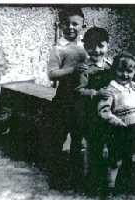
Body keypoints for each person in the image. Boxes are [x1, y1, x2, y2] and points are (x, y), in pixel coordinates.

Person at [97, 52, 135, 198]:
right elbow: (103, 110)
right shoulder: (110, 90)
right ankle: (109, 189)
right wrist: (115, 121)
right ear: (114, 71)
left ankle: (124, 187)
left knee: (128, 159)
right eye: (121, 71)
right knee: (115, 161)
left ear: (134, 72)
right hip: (117, 131)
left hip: (133, 130)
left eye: (129, 71)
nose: (125, 75)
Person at [47, 6, 87, 190]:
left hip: (81, 101)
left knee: (79, 141)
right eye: (67, 23)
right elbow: (52, 74)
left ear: (83, 26)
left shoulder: (85, 48)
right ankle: (56, 180)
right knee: (57, 139)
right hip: (63, 100)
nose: (71, 27)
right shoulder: (58, 48)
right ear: (61, 25)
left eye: (75, 24)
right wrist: (72, 70)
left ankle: (77, 179)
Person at [74, 27, 114, 193]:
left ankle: (109, 180)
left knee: (110, 145)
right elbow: (79, 90)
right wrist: (96, 93)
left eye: (101, 45)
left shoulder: (111, 65)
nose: (97, 50)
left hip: (109, 112)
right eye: (91, 46)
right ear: (85, 47)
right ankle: (90, 179)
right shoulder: (85, 68)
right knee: (93, 146)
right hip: (92, 114)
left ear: (108, 46)